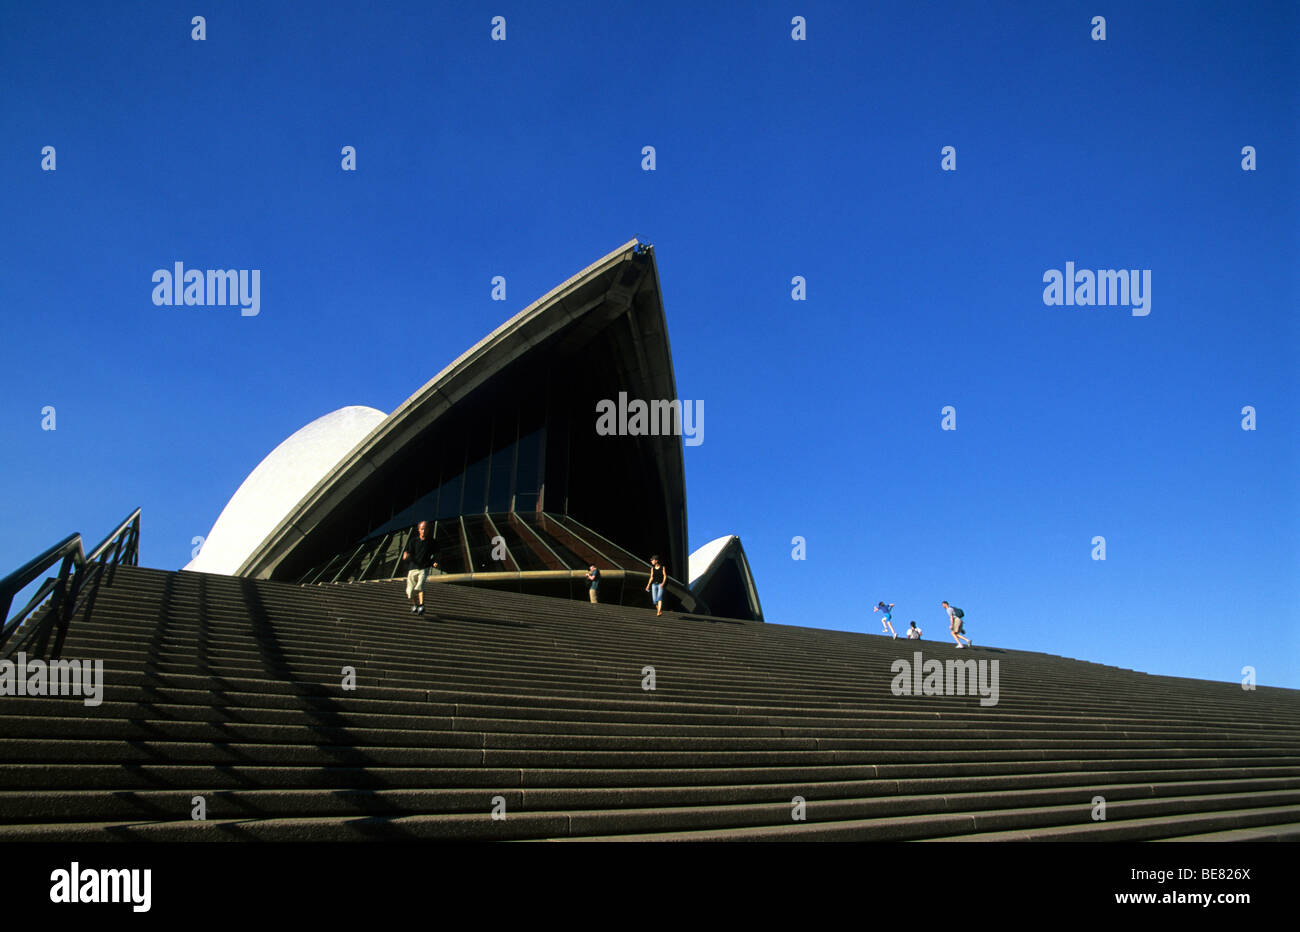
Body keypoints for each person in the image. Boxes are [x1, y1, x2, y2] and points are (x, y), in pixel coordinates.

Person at [400, 521, 439, 615]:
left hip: (424, 567)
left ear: (428, 530)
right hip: (413, 567)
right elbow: (407, 551)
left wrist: (435, 561)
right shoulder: (413, 541)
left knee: (420, 586)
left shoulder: (432, 542)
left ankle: (421, 605)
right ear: (419, 530)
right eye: (422, 529)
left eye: (426, 528)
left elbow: (437, 553)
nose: (424, 531)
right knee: (410, 590)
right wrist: (405, 555)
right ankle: (415, 605)